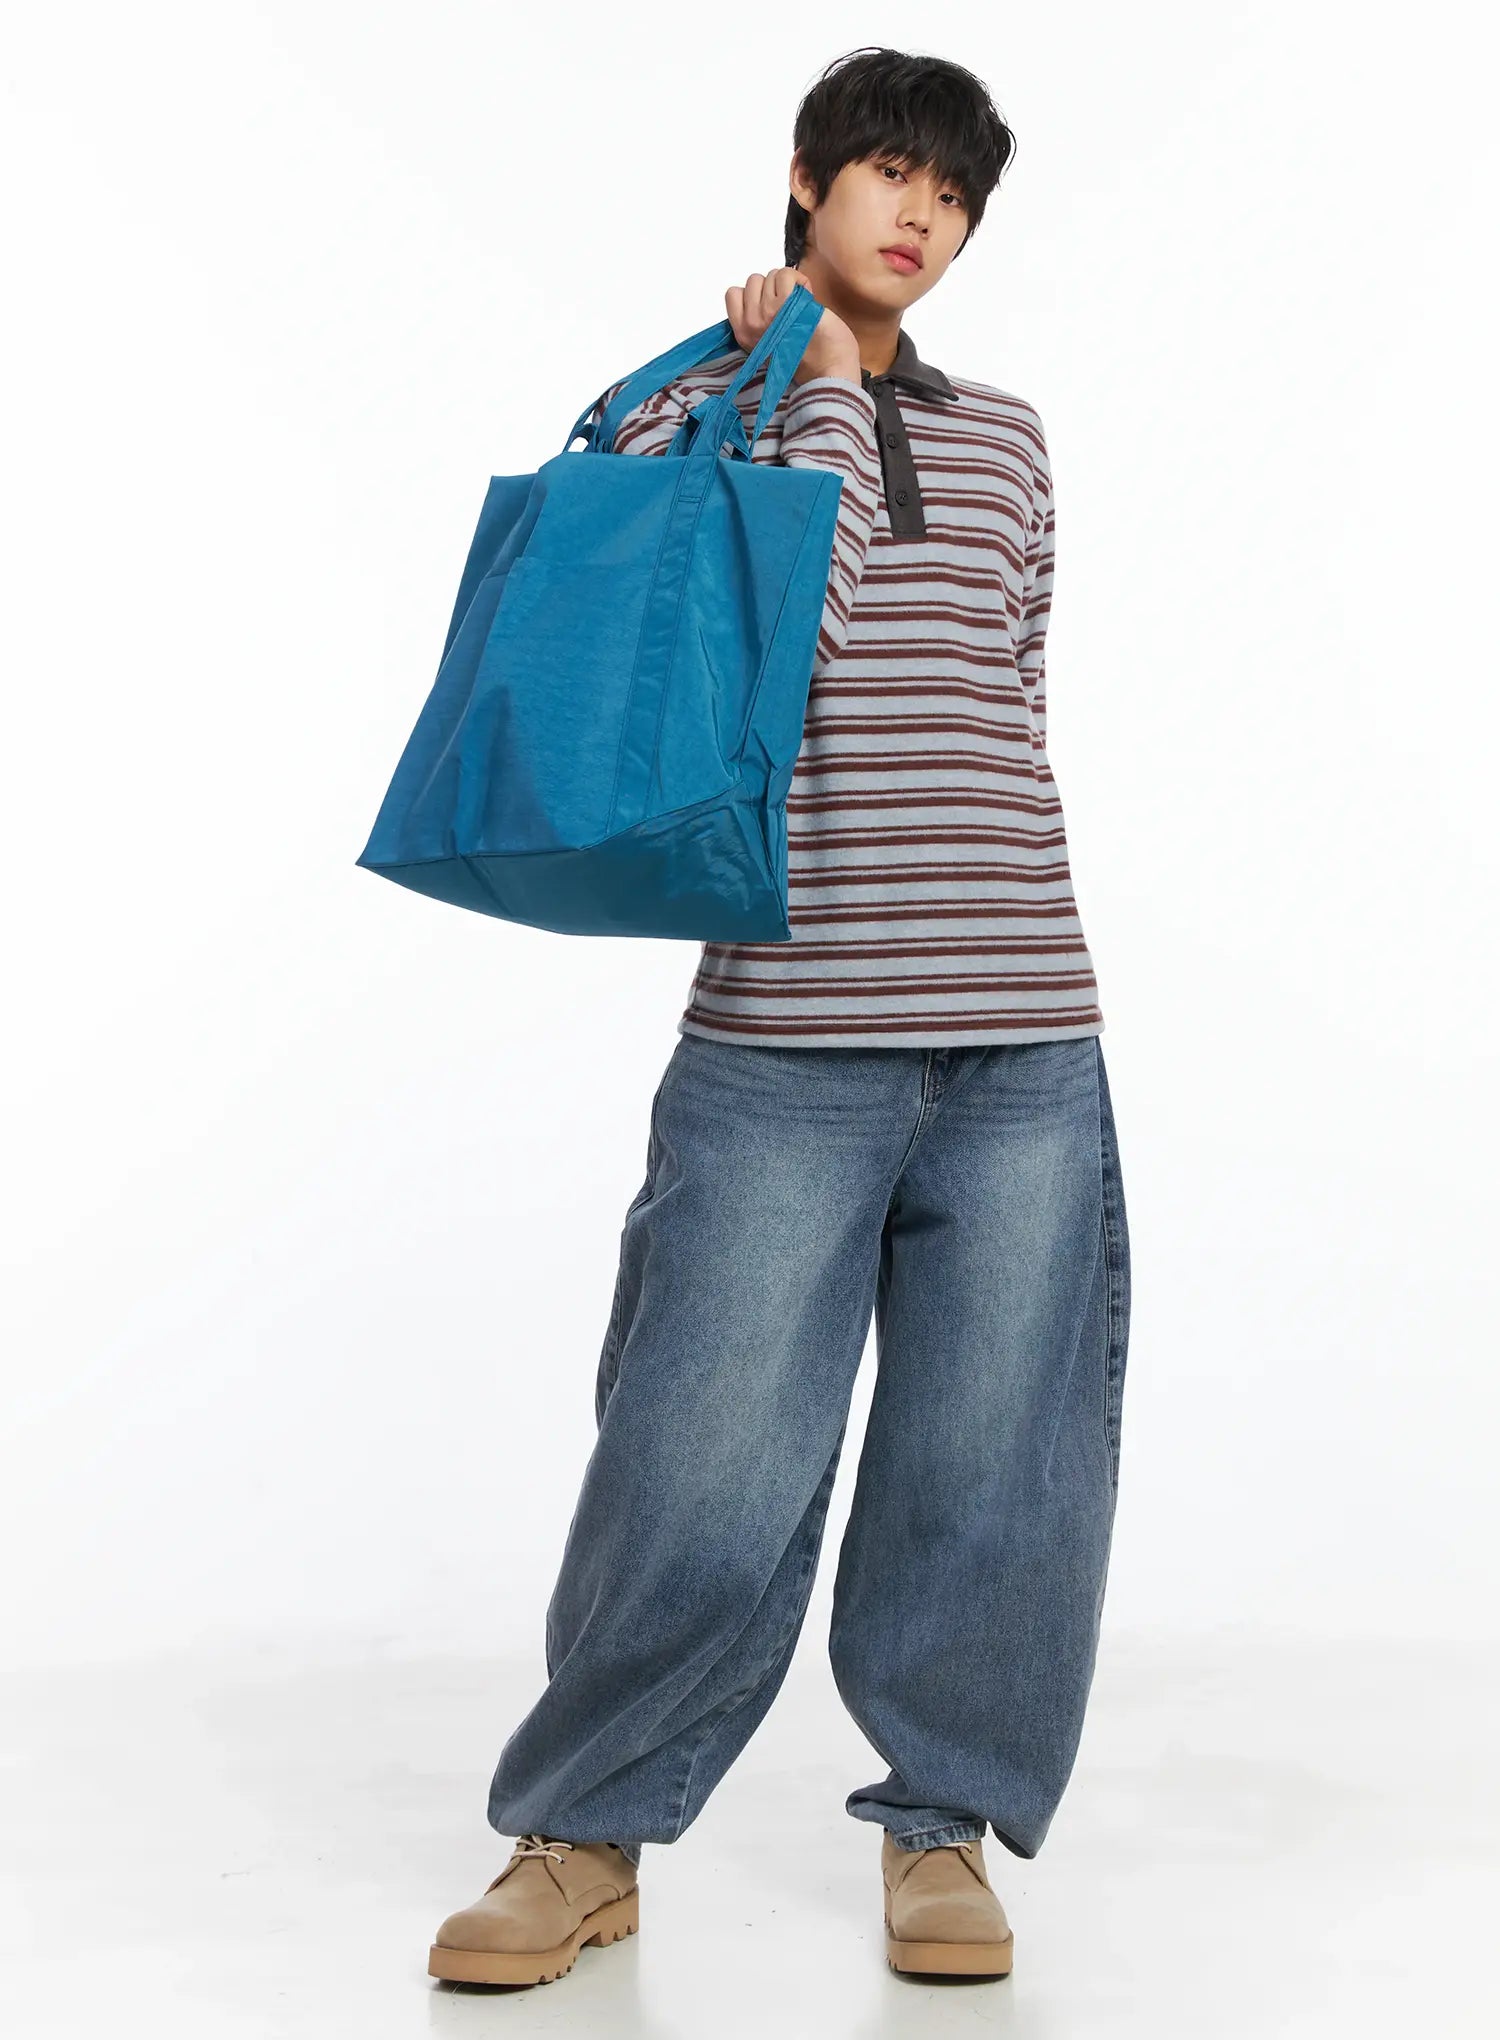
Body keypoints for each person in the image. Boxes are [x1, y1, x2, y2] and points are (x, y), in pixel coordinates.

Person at [428, 43, 1130, 1991]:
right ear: (809, 180)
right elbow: (764, 644)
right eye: (890, 173)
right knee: (699, 1458)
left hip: (1024, 1024)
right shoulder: (694, 413)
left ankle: (944, 1827)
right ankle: (583, 1835)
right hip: (784, 1036)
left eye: (954, 194)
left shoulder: (1011, 438)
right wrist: (802, 384)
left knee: (995, 1469)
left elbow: (1005, 695)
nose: (921, 215)